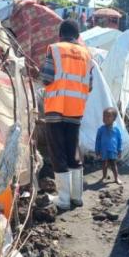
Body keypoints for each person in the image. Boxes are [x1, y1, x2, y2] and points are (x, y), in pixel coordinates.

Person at [40, 19, 92, 210]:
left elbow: (46, 78)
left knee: (57, 152)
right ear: (77, 36)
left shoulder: (54, 49)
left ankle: (62, 201)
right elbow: (90, 85)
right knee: (73, 152)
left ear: (60, 35)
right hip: (76, 109)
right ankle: (76, 197)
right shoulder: (87, 54)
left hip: (56, 107)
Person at [95, 107, 122, 184]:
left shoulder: (117, 130)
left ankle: (116, 178)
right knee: (104, 164)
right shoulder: (101, 129)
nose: (105, 118)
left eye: (108, 116)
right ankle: (104, 176)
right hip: (103, 150)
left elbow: (119, 140)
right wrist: (97, 150)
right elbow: (98, 140)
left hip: (113, 150)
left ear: (114, 118)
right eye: (104, 116)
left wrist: (119, 150)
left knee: (113, 164)